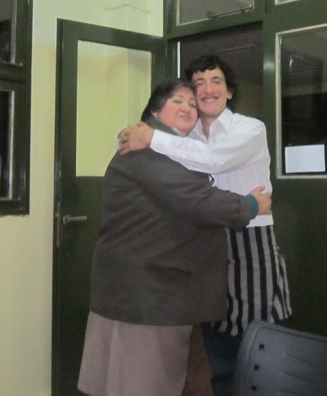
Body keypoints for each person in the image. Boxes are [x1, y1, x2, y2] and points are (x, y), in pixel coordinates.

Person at [77, 78, 272, 396]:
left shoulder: (161, 149)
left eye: (192, 104)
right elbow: (198, 200)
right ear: (155, 111)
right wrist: (251, 204)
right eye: (177, 101)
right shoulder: (150, 153)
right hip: (147, 296)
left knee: (122, 380)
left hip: (137, 290)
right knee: (143, 383)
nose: (188, 107)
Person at [119, 54, 292, 396]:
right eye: (199, 83)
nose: (207, 89)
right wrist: (137, 134)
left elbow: (214, 160)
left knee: (259, 340)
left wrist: (151, 137)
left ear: (229, 91)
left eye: (216, 81)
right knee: (217, 334)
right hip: (208, 240)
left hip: (251, 240)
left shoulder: (250, 129)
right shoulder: (187, 136)